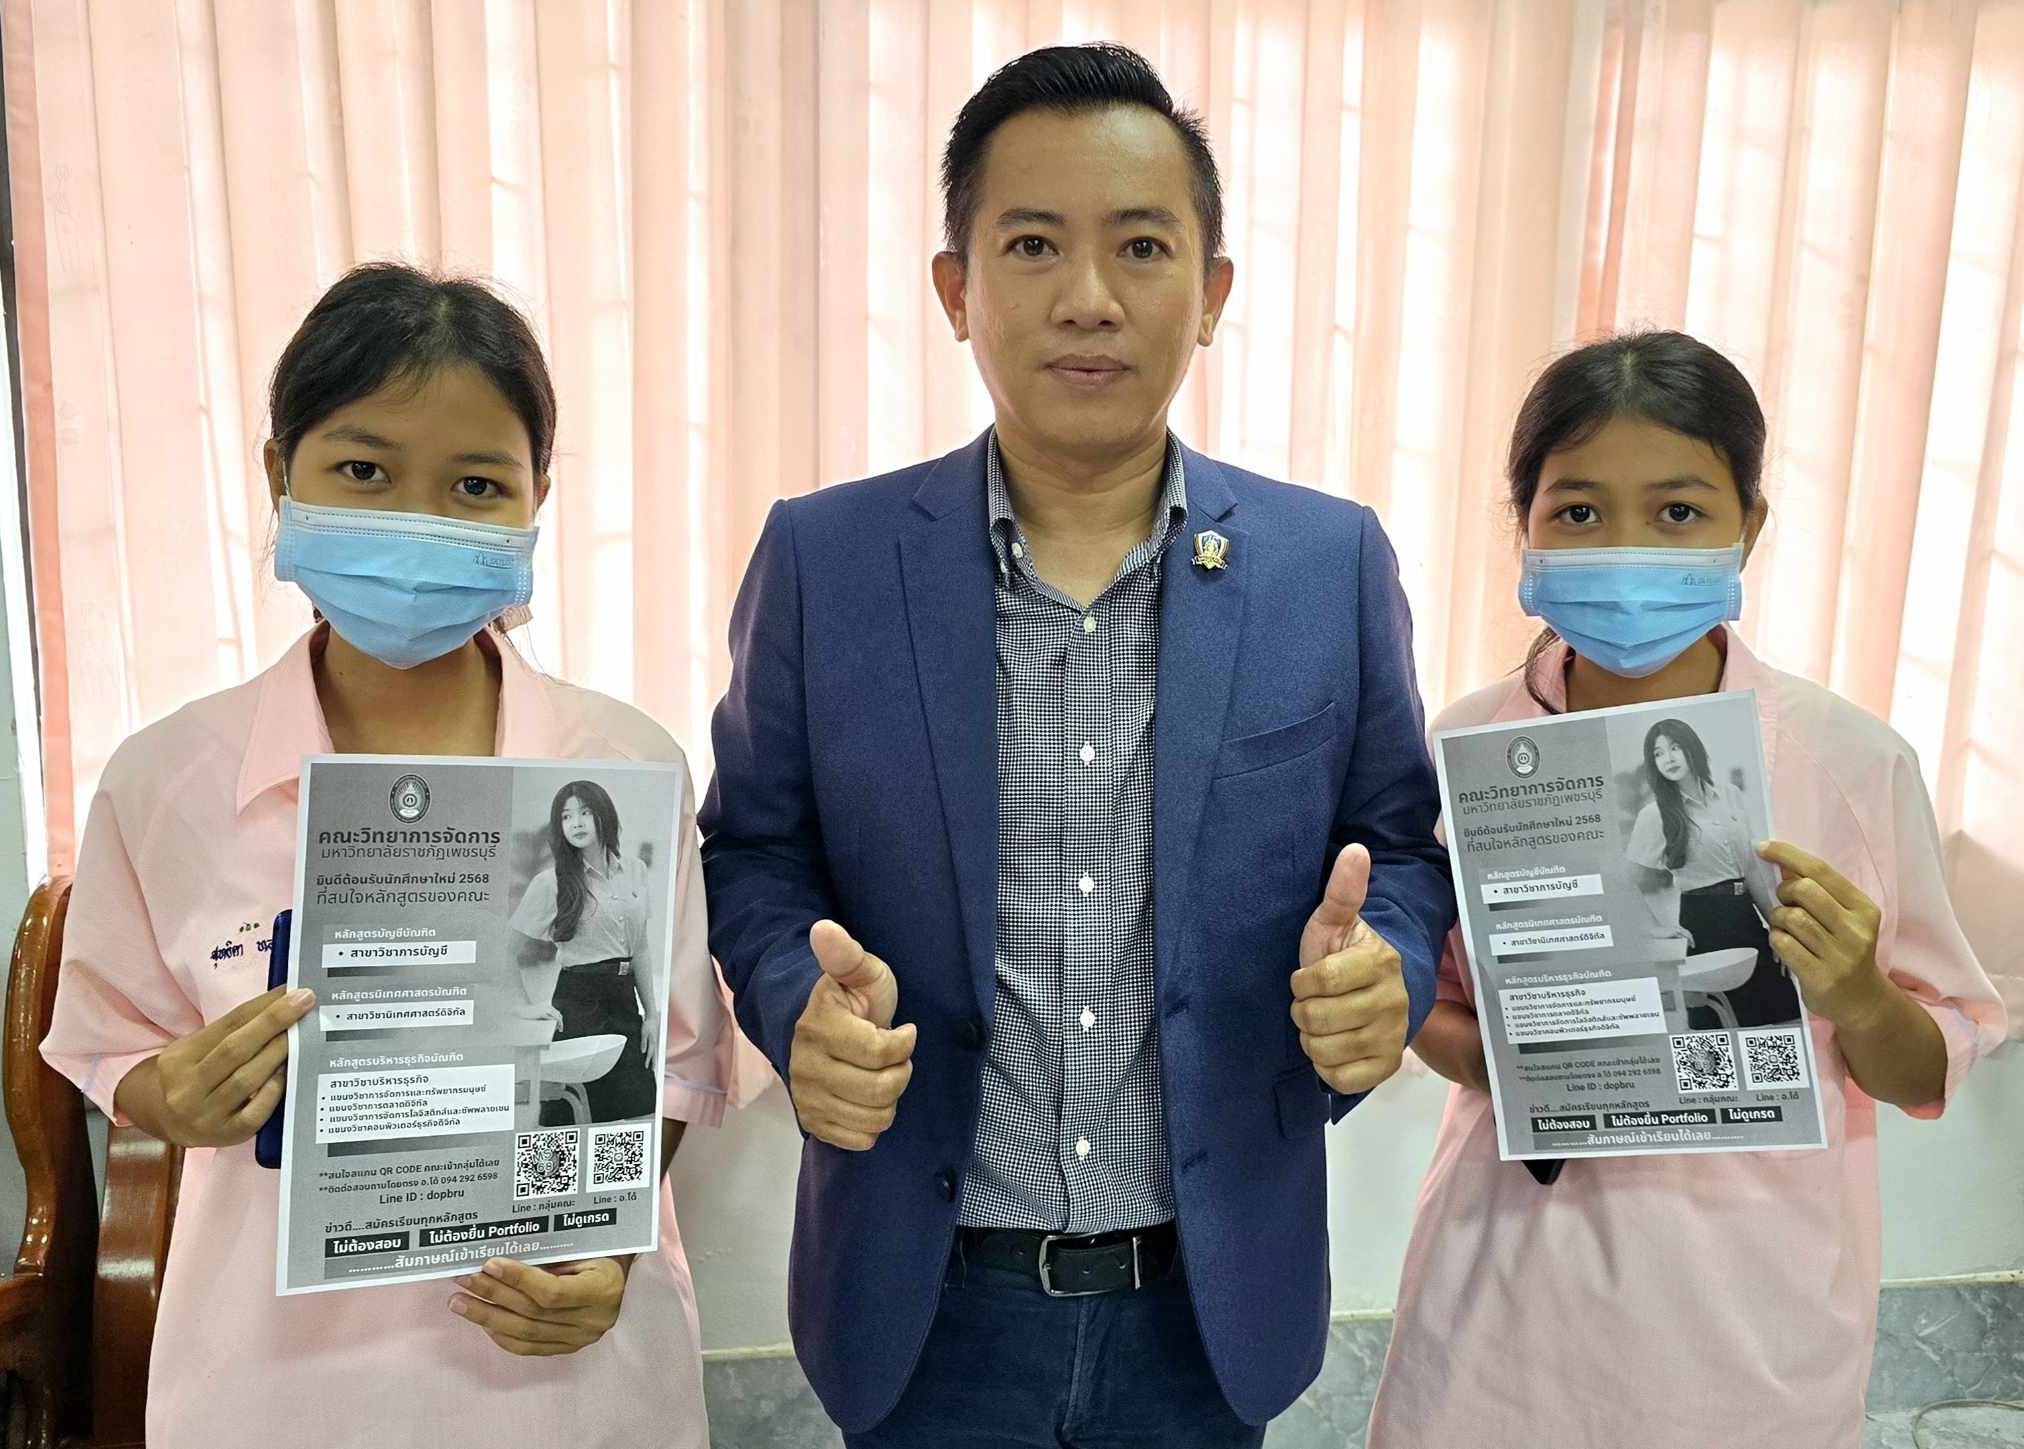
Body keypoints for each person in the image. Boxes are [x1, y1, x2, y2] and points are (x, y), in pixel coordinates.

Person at [700, 43, 1455, 1448]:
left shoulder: (1327, 564)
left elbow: (1399, 848)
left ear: (1211, 294)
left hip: (1208, 1302)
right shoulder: (825, 560)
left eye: (1142, 247)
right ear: (956, 289)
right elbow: (751, 849)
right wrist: (789, 998)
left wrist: (1389, 972)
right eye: (1033, 244)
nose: (1088, 297)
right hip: (924, 1304)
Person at [39, 263, 733, 1449]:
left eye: (475, 485)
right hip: (276, 1382)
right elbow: (110, 1045)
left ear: (537, 498)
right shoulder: (166, 782)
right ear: (279, 473)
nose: (419, 522)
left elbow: (667, 1059)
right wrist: (177, 1095)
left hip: (562, 1379)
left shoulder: (620, 768)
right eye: (363, 471)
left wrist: (608, 1253)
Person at [1367, 331, 2007, 1449]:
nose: (1625, 549)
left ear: (1747, 526)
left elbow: (1920, 1069)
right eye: (1577, 511)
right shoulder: (1468, 749)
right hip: (1506, 1304)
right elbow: (1436, 1008)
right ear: (1523, 526)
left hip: (1750, 1330)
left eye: (1676, 512)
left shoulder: (1850, 765)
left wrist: (1858, 994)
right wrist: (1528, 1056)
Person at [510, 779, 663, 1123]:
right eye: (566, 816)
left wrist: (651, 1015)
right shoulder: (550, 883)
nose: (575, 823)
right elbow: (505, 950)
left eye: (584, 812)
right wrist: (525, 1007)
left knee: (638, 1109)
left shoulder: (635, 870)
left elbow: (640, 947)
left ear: (604, 815)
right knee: (576, 1114)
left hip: (624, 1001)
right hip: (578, 1003)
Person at [1629, 715, 1796, 1027]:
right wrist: (1658, 928)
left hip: (1745, 914)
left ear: (1692, 748)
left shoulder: (1730, 794)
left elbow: (1750, 867)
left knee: (1779, 1014)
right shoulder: (1654, 816)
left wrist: (1777, 926)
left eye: (1675, 747)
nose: (1668, 759)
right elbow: (1629, 880)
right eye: (1658, 753)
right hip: (1702, 923)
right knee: (1720, 1026)